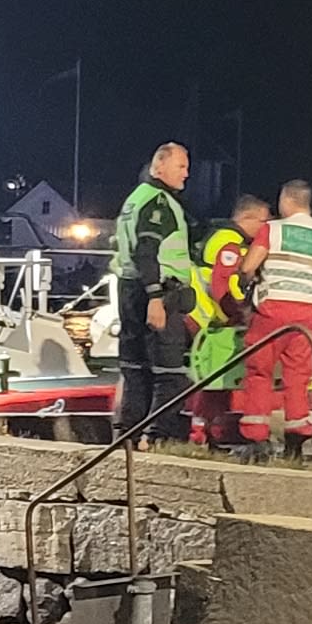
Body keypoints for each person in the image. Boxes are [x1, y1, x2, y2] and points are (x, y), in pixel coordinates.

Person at [246, 180, 312, 461]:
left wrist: (247, 284)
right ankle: (296, 440)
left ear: (286, 200)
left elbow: (248, 266)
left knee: (260, 372)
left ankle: (257, 441)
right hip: (309, 315)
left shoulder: (273, 229)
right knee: (298, 377)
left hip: (272, 310)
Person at [111, 143, 198, 434]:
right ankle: (159, 436)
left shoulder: (135, 198)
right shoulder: (158, 202)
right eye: (181, 166)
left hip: (129, 290)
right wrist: (155, 297)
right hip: (158, 292)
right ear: (159, 167)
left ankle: (129, 435)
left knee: (135, 369)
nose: (186, 174)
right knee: (169, 373)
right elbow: (146, 250)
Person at [187, 201, 269, 453]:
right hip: (210, 318)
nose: (265, 228)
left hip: (208, 316)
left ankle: (208, 434)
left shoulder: (223, 238)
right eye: (263, 222)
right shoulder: (229, 242)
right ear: (247, 218)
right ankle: (201, 435)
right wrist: (233, 314)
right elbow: (220, 283)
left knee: (216, 380)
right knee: (213, 380)